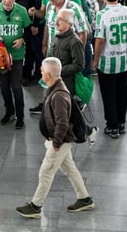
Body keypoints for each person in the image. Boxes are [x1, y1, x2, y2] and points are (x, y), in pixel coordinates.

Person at [16, 57, 95, 218]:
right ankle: (85, 199)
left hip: (60, 141)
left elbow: (62, 123)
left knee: (46, 172)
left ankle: (36, 206)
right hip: (60, 140)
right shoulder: (55, 87)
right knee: (70, 169)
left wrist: (57, 143)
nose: (40, 72)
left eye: (42, 70)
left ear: (49, 74)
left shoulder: (59, 95)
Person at [92, 0, 127, 140]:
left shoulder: (102, 14)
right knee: (122, 92)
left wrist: (95, 60)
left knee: (108, 93)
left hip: (108, 61)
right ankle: (121, 122)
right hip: (124, 60)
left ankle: (112, 125)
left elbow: (100, 40)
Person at [0, 0, 32, 128]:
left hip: (17, 56)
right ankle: (9, 111)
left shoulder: (22, 11)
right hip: (1, 56)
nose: (7, 1)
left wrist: (22, 39)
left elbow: (29, 31)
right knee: (4, 87)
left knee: (16, 87)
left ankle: (20, 116)